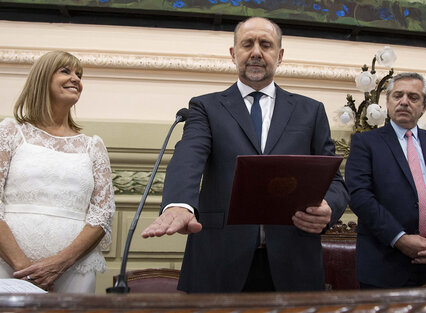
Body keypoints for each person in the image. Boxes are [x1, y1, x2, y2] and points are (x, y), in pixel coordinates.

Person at [141, 17, 348, 293]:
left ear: (280, 55)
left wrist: (329, 208)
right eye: (247, 44)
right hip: (220, 259)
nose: (256, 52)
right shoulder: (206, 107)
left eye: (266, 44)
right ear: (233, 53)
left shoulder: (310, 111)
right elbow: (189, 154)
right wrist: (179, 204)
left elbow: (335, 181)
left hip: (294, 260)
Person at [0, 51, 115, 293]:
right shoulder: (11, 133)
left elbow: (102, 214)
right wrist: (26, 270)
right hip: (9, 269)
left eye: (79, 74)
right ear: (42, 79)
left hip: (74, 272)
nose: (76, 79)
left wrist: (60, 263)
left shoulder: (92, 146)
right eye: (65, 71)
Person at [345, 72, 426, 288]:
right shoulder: (365, 143)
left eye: (413, 97)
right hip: (386, 266)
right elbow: (359, 196)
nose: (404, 102)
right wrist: (400, 238)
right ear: (388, 101)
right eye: (397, 95)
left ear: (424, 106)